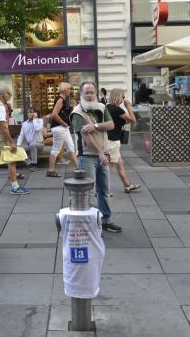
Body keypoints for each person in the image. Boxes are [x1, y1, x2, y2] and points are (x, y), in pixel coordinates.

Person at [71, 81, 122, 233]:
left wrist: (95, 126)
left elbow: (111, 125)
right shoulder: (77, 112)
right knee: (89, 192)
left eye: (92, 92)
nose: (89, 95)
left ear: (96, 94)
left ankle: (106, 220)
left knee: (104, 190)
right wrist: (101, 153)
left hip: (102, 156)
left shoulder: (101, 107)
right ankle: (91, 223)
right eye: (86, 92)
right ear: (81, 94)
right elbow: (86, 137)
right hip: (87, 157)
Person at [106, 90, 141, 193]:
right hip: (112, 142)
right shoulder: (117, 110)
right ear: (118, 97)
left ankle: (127, 185)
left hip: (109, 140)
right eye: (123, 96)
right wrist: (128, 106)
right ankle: (104, 190)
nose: (124, 98)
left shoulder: (107, 107)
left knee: (120, 164)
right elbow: (133, 120)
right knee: (109, 167)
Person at [47, 82, 79, 177]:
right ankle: (51, 170)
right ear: (65, 90)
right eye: (69, 89)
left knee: (71, 147)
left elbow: (64, 113)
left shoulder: (63, 100)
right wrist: (64, 123)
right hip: (59, 128)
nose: (70, 91)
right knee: (56, 150)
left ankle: (79, 167)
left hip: (63, 128)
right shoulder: (60, 100)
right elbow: (54, 114)